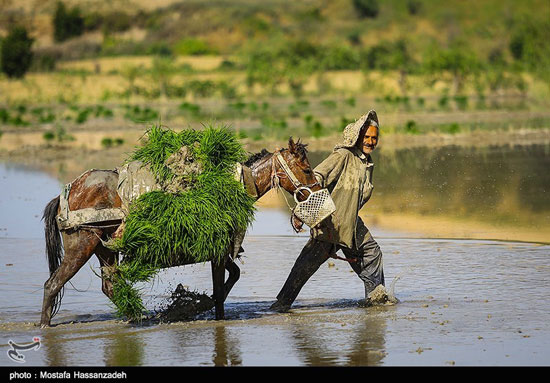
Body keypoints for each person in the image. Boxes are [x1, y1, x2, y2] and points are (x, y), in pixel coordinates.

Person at [270, 110, 384, 311]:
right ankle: (280, 306)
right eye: (366, 137)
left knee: (372, 254)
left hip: (350, 226)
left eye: (374, 138)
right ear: (357, 137)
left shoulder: (367, 164)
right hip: (329, 224)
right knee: (303, 269)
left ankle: (376, 302)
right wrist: (301, 210)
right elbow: (316, 178)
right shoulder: (343, 155)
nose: (370, 142)